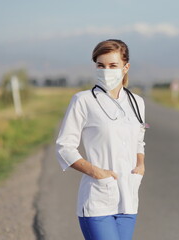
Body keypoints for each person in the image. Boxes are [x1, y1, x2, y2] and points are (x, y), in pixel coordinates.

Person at [55, 39, 147, 240]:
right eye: (100, 65)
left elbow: (139, 138)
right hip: (98, 199)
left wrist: (140, 165)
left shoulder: (137, 102)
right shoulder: (83, 101)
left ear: (125, 67)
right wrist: (96, 172)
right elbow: (64, 147)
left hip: (128, 199)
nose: (106, 70)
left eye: (113, 65)